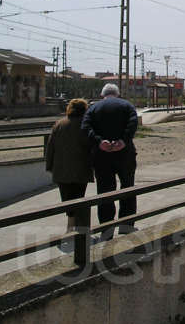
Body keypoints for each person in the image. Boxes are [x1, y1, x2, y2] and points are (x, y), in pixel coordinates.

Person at [82, 83, 139, 241]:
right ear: (118, 94)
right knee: (127, 188)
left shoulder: (93, 108)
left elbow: (85, 127)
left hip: (102, 156)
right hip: (125, 154)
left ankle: (106, 230)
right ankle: (126, 227)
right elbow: (133, 124)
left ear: (102, 95)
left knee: (105, 192)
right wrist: (123, 140)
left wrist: (100, 141)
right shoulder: (127, 106)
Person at [45, 98, 93, 233]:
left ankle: (70, 226)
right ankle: (76, 226)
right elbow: (90, 146)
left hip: (61, 169)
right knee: (79, 196)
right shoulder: (86, 125)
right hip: (81, 168)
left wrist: (49, 166)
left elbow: (50, 147)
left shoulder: (59, 124)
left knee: (66, 198)